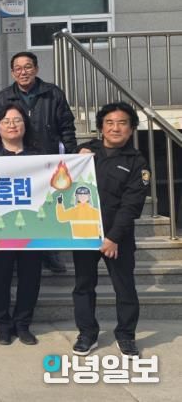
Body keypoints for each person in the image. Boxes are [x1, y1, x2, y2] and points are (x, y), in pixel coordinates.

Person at [71, 102, 149, 358]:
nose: (116, 128)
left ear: (131, 128)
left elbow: (132, 204)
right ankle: (87, 334)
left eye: (122, 123)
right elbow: (61, 178)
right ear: (101, 127)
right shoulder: (84, 152)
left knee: (124, 287)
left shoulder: (136, 162)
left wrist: (113, 237)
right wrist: (75, 157)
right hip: (85, 232)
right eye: (110, 123)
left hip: (118, 236)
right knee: (83, 285)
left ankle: (126, 336)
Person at [0, 51, 77, 274]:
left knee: (47, 208)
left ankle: (50, 253)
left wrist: (72, 156)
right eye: (18, 68)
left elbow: (67, 127)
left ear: (36, 69)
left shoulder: (52, 94)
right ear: (12, 73)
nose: (23, 72)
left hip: (46, 163)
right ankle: (13, 251)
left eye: (28, 67)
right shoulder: (3, 98)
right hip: (15, 164)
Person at [0, 103, 42, 346]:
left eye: (17, 120)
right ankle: (2, 325)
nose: (12, 125)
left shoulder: (38, 156)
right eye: (6, 121)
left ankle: (23, 323)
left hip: (32, 228)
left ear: (25, 125)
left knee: (30, 277)